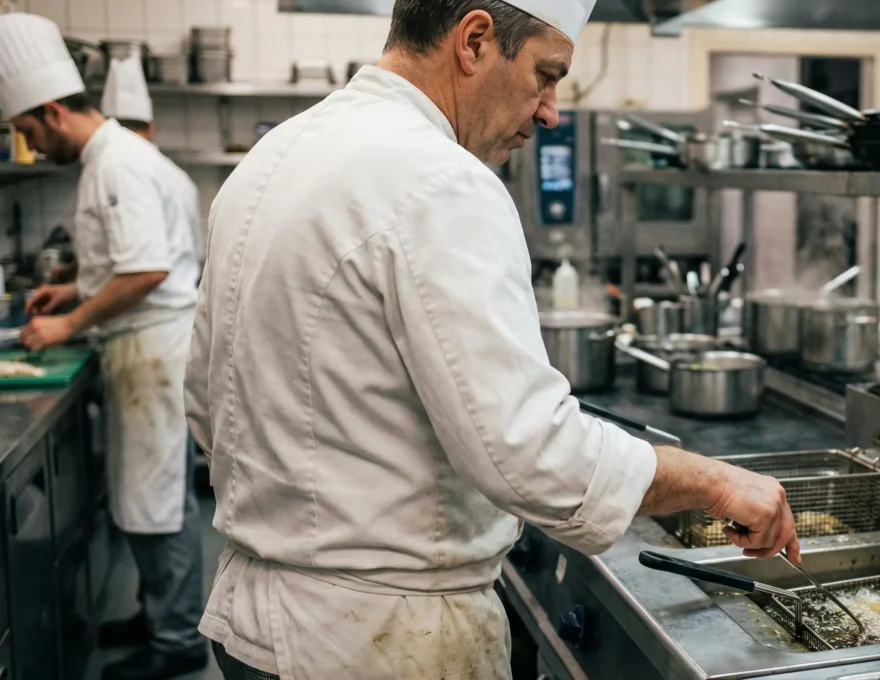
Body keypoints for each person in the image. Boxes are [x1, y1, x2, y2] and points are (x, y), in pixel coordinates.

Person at [185, 1, 800, 678]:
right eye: (546, 74)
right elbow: (531, 455)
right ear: (475, 41)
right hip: (379, 640)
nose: (550, 111)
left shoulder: (271, 158)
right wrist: (715, 482)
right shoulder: (439, 180)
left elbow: (206, 401)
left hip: (255, 624)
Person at [0, 13, 208, 680]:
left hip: (152, 350)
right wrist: (73, 291)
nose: (29, 143)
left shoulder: (115, 165)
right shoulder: (116, 158)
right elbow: (130, 261)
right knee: (152, 497)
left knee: (155, 503)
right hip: (149, 348)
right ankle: (160, 619)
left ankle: (176, 643)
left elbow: (147, 270)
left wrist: (68, 322)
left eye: (27, 130)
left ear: (53, 112)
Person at [100, 46, 206, 270]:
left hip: (150, 301)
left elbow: (143, 270)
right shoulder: (178, 176)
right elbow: (196, 250)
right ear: (151, 128)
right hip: (184, 291)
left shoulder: (120, 167)